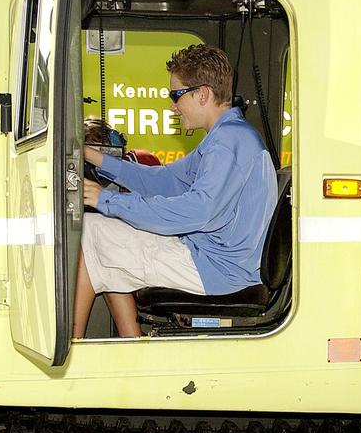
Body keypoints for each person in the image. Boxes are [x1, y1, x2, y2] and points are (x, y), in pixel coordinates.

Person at [73, 44, 277, 339]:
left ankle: (74, 349)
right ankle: (132, 345)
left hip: (217, 271)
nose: (173, 107)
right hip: (211, 258)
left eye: (176, 96)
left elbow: (196, 211)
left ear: (202, 94)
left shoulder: (229, 143)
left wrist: (107, 199)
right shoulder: (224, 137)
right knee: (104, 236)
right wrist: (94, 157)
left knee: (90, 231)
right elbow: (166, 180)